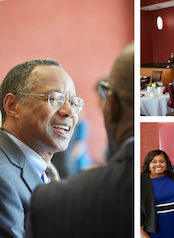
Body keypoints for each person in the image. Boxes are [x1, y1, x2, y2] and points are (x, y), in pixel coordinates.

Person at [24, 42, 133, 238]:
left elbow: (80, 147)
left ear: (112, 105)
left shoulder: (53, 202)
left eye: (73, 102)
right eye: (55, 99)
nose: (66, 111)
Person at [0, 59, 81, 237]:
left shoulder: (47, 170)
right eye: (56, 98)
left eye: (74, 102)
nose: (70, 111)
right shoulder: (3, 177)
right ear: (12, 106)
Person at [141, 150, 174, 238]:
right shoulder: (141, 182)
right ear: (148, 164)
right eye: (154, 161)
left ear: (167, 163)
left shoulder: (173, 176)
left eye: (162, 161)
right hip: (155, 231)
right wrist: (143, 234)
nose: (158, 164)